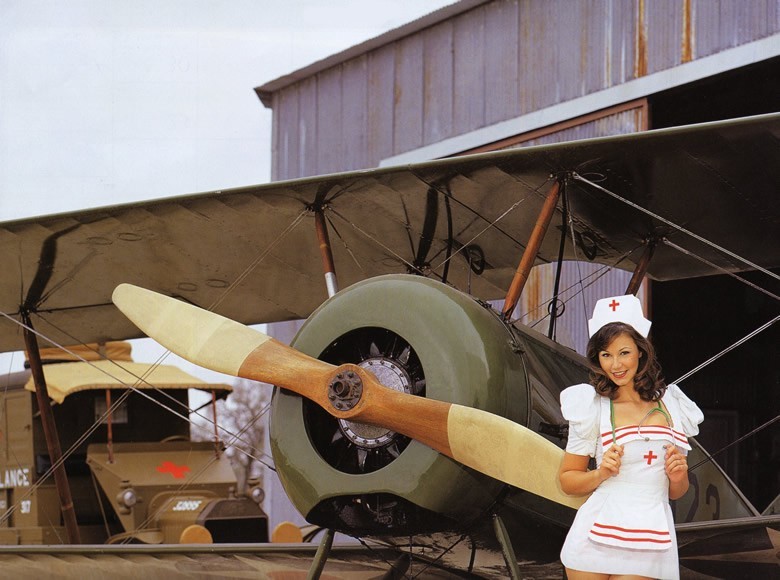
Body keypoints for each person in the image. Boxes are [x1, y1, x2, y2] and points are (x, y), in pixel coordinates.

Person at [558, 294, 704, 580]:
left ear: (641, 351)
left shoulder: (673, 404)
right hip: (593, 535)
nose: (616, 365)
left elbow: (676, 491)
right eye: (606, 355)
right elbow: (568, 480)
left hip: (651, 534)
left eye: (624, 352)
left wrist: (678, 476)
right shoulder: (591, 406)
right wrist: (601, 473)